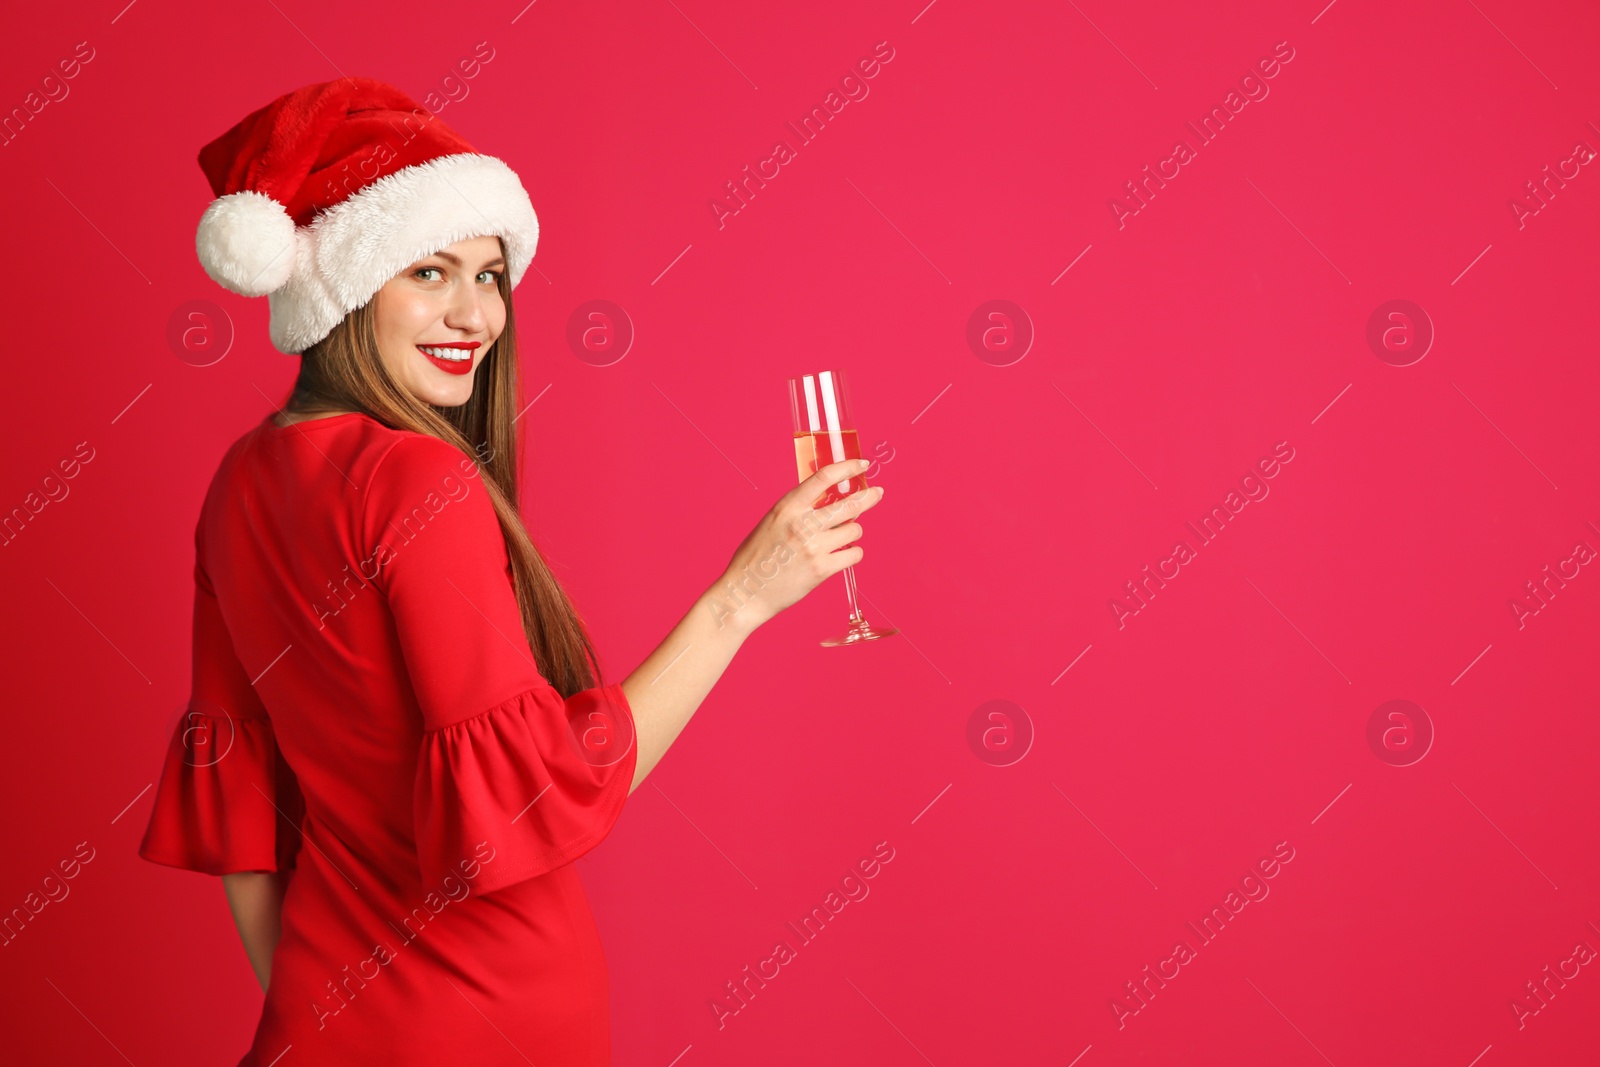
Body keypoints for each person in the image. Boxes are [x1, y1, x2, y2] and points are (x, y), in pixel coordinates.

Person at [137, 77, 884, 1066]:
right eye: (429, 272)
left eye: (488, 275)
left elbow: (238, 799)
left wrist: (323, 1011)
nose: (474, 315)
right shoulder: (416, 478)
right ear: (347, 285)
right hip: (496, 1016)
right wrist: (740, 598)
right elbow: (541, 797)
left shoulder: (239, 480)